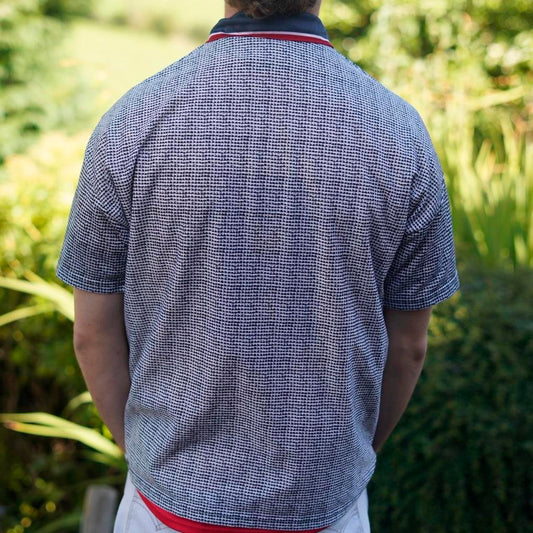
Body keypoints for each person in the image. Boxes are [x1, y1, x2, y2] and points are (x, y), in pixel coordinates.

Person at [55, 1, 460, 532]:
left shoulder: (133, 119)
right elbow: (409, 344)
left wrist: (149, 459)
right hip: (326, 509)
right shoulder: (399, 132)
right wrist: (346, 461)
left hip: (165, 508)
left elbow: (92, 333)